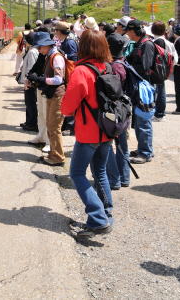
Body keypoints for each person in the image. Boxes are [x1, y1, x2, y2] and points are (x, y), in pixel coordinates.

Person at [61, 30, 114, 238]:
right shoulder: (108, 66)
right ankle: (106, 213)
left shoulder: (81, 70)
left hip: (88, 131)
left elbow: (68, 107)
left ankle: (98, 219)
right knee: (100, 172)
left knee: (77, 173)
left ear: (83, 46)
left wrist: (65, 111)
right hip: (107, 129)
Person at [26, 31, 66, 166]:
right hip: (51, 94)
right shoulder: (49, 55)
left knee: (54, 127)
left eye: (39, 47)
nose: (38, 49)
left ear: (46, 45)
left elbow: (58, 79)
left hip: (57, 95)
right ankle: (53, 153)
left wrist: (41, 80)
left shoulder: (56, 57)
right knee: (50, 125)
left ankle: (58, 157)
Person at [125, 19, 156, 164]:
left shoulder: (147, 44)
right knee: (138, 120)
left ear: (133, 31)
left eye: (128, 31)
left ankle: (145, 152)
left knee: (143, 120)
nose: (127, 34)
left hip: (144, 88)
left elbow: (145, 68)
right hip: (137, 87)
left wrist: (129, 66)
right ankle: (143, 148)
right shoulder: (140, 43)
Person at [106, 33, 132, 189]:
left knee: (108, 144)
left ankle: (114, 179)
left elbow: (111, 90)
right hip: (125, 108)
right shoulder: (124, 63)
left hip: (114, 109)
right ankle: (124, 177)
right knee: (122, 145)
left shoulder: (114, 66)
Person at [151, 21, 177, 121]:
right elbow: (175, 57)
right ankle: (160, 113)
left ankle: (159, 114)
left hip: (158, 70)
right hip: (164, 69)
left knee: (159, 91)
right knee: (161, 90)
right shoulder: (166, 41)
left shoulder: (158, 42)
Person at [18, 31, 40, 132]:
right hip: (30, 81)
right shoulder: (32, 50)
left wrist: (28, 81)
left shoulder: (32, 52)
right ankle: (29, 122)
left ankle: (32, 124)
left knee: (30, 103)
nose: (24, 41)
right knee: (28, 103)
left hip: (29, 82)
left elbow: (30, 68)